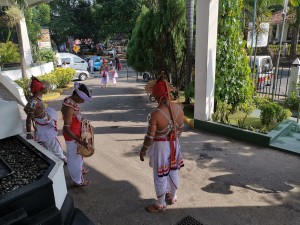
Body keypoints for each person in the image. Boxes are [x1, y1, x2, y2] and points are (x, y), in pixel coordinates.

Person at [140, 71, 184, 213]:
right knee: (173, 171)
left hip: (161, 147)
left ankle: (160, 204)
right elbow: (180, 130)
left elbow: (150, 137)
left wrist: (143, 150)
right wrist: (173, 139)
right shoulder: (180, 110)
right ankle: (173, 196)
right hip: (174, 144)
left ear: (157, 96)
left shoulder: (156, 114)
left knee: (160, 175)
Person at [24, 76, 67, 164]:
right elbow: (28, 117)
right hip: (44, 127)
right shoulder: (35, 102)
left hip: (43, 124)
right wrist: (28, 132)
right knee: (54, 145)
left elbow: (25, 109)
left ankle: (54, 160)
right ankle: (63, 160)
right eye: (42, 88)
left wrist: (34, 116)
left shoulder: (34, 100)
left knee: (48, 144)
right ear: (40, 90)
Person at [61, 82, 93, 187]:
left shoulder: (70, 101)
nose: (83, 102)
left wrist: (81, 122)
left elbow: (74, 118)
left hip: (75, 133)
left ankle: (79, 172)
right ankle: (78, 181)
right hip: (72, 135)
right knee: (74, 158)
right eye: (82, 99)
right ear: (76, 95)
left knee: (78, 156)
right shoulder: (69, 107)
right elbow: (66, 128)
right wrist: (80, 141)